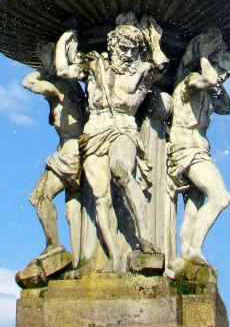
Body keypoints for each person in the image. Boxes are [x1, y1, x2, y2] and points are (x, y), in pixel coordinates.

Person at [79, 14, 168, 271]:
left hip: (123, 128)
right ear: (112, 44)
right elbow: (65, 70)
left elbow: (160, 66)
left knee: (121, 169)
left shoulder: (140, 70)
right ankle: (114, 257)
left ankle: (144, 237)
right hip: (94, 131)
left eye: (132, 49)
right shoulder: (96, 66)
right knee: (100, 196)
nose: (128, 54)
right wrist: (65, 40)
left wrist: (153, 43)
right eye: (123, 47)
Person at [168, 29, 230, 266]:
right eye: (224, 70)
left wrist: (217, 81)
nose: (225, 76)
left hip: (198, 152)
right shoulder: (190, 82)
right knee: (221, 196)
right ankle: (193, 249)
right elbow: (209, 79)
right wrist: (204, 57)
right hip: (186, 151)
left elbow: (227, 107)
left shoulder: (206, 94)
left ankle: (186, 253)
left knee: (194, 206)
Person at [22, 31, 87, 261]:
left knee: (39, 196)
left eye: (43, 58)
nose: (40, 63)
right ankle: (81, 259)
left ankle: (54, 246)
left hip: (70, 154)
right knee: (73, 208)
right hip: (74, 151)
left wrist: (45, 69)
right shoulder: (73, 89)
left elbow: (28, 83)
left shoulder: (59, 87)